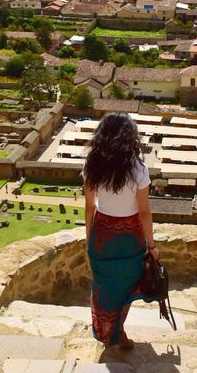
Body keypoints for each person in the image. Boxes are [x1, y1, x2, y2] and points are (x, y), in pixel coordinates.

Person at [83, 113, 159, 349]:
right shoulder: (138, 169)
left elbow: (89, 206)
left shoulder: (92, 164)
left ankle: (105, 329)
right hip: (131, 237)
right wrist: (153, 246)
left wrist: (89, 239)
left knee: (104, 285)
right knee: (127, 286)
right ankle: (118, 331)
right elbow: (145, 212)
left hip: (103, 234)